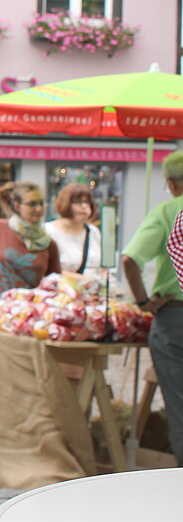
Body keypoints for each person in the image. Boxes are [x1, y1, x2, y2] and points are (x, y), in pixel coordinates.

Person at [121, 150, 183, 467]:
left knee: (180, 406)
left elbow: (130, 259)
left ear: (172, 183)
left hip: (176, 319)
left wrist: (144, 302)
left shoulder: (169, 211)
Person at [0, 180, 61, 298]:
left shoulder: (48, 243)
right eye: (32, 204)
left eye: (41, 203)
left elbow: (54, 282)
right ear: (17, 206)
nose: (39, 209)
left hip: (29, 313)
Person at [45, 182, 101, 275]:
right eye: (78, 202)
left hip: (94, 288)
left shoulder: (93, 232)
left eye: (87, 202)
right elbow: (48, 270)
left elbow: (102, 268)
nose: (84, 206)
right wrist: (85, 281)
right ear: (66, 203)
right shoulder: (49, 231)